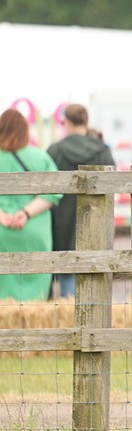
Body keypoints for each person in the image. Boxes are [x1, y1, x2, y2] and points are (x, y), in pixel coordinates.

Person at [46, 104, 115, 298]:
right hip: (95, 224)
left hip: (61, 227)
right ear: (86, 121)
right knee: (96, 289)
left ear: (66, 122)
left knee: (67, 283)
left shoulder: (54, 150)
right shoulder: (103, 151)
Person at [0, 108, 62, 301]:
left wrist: (2, 215)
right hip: (34, 229)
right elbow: (55, 192)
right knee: (36, 292)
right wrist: (25, 213)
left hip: (2, 230)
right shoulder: (40, 158)